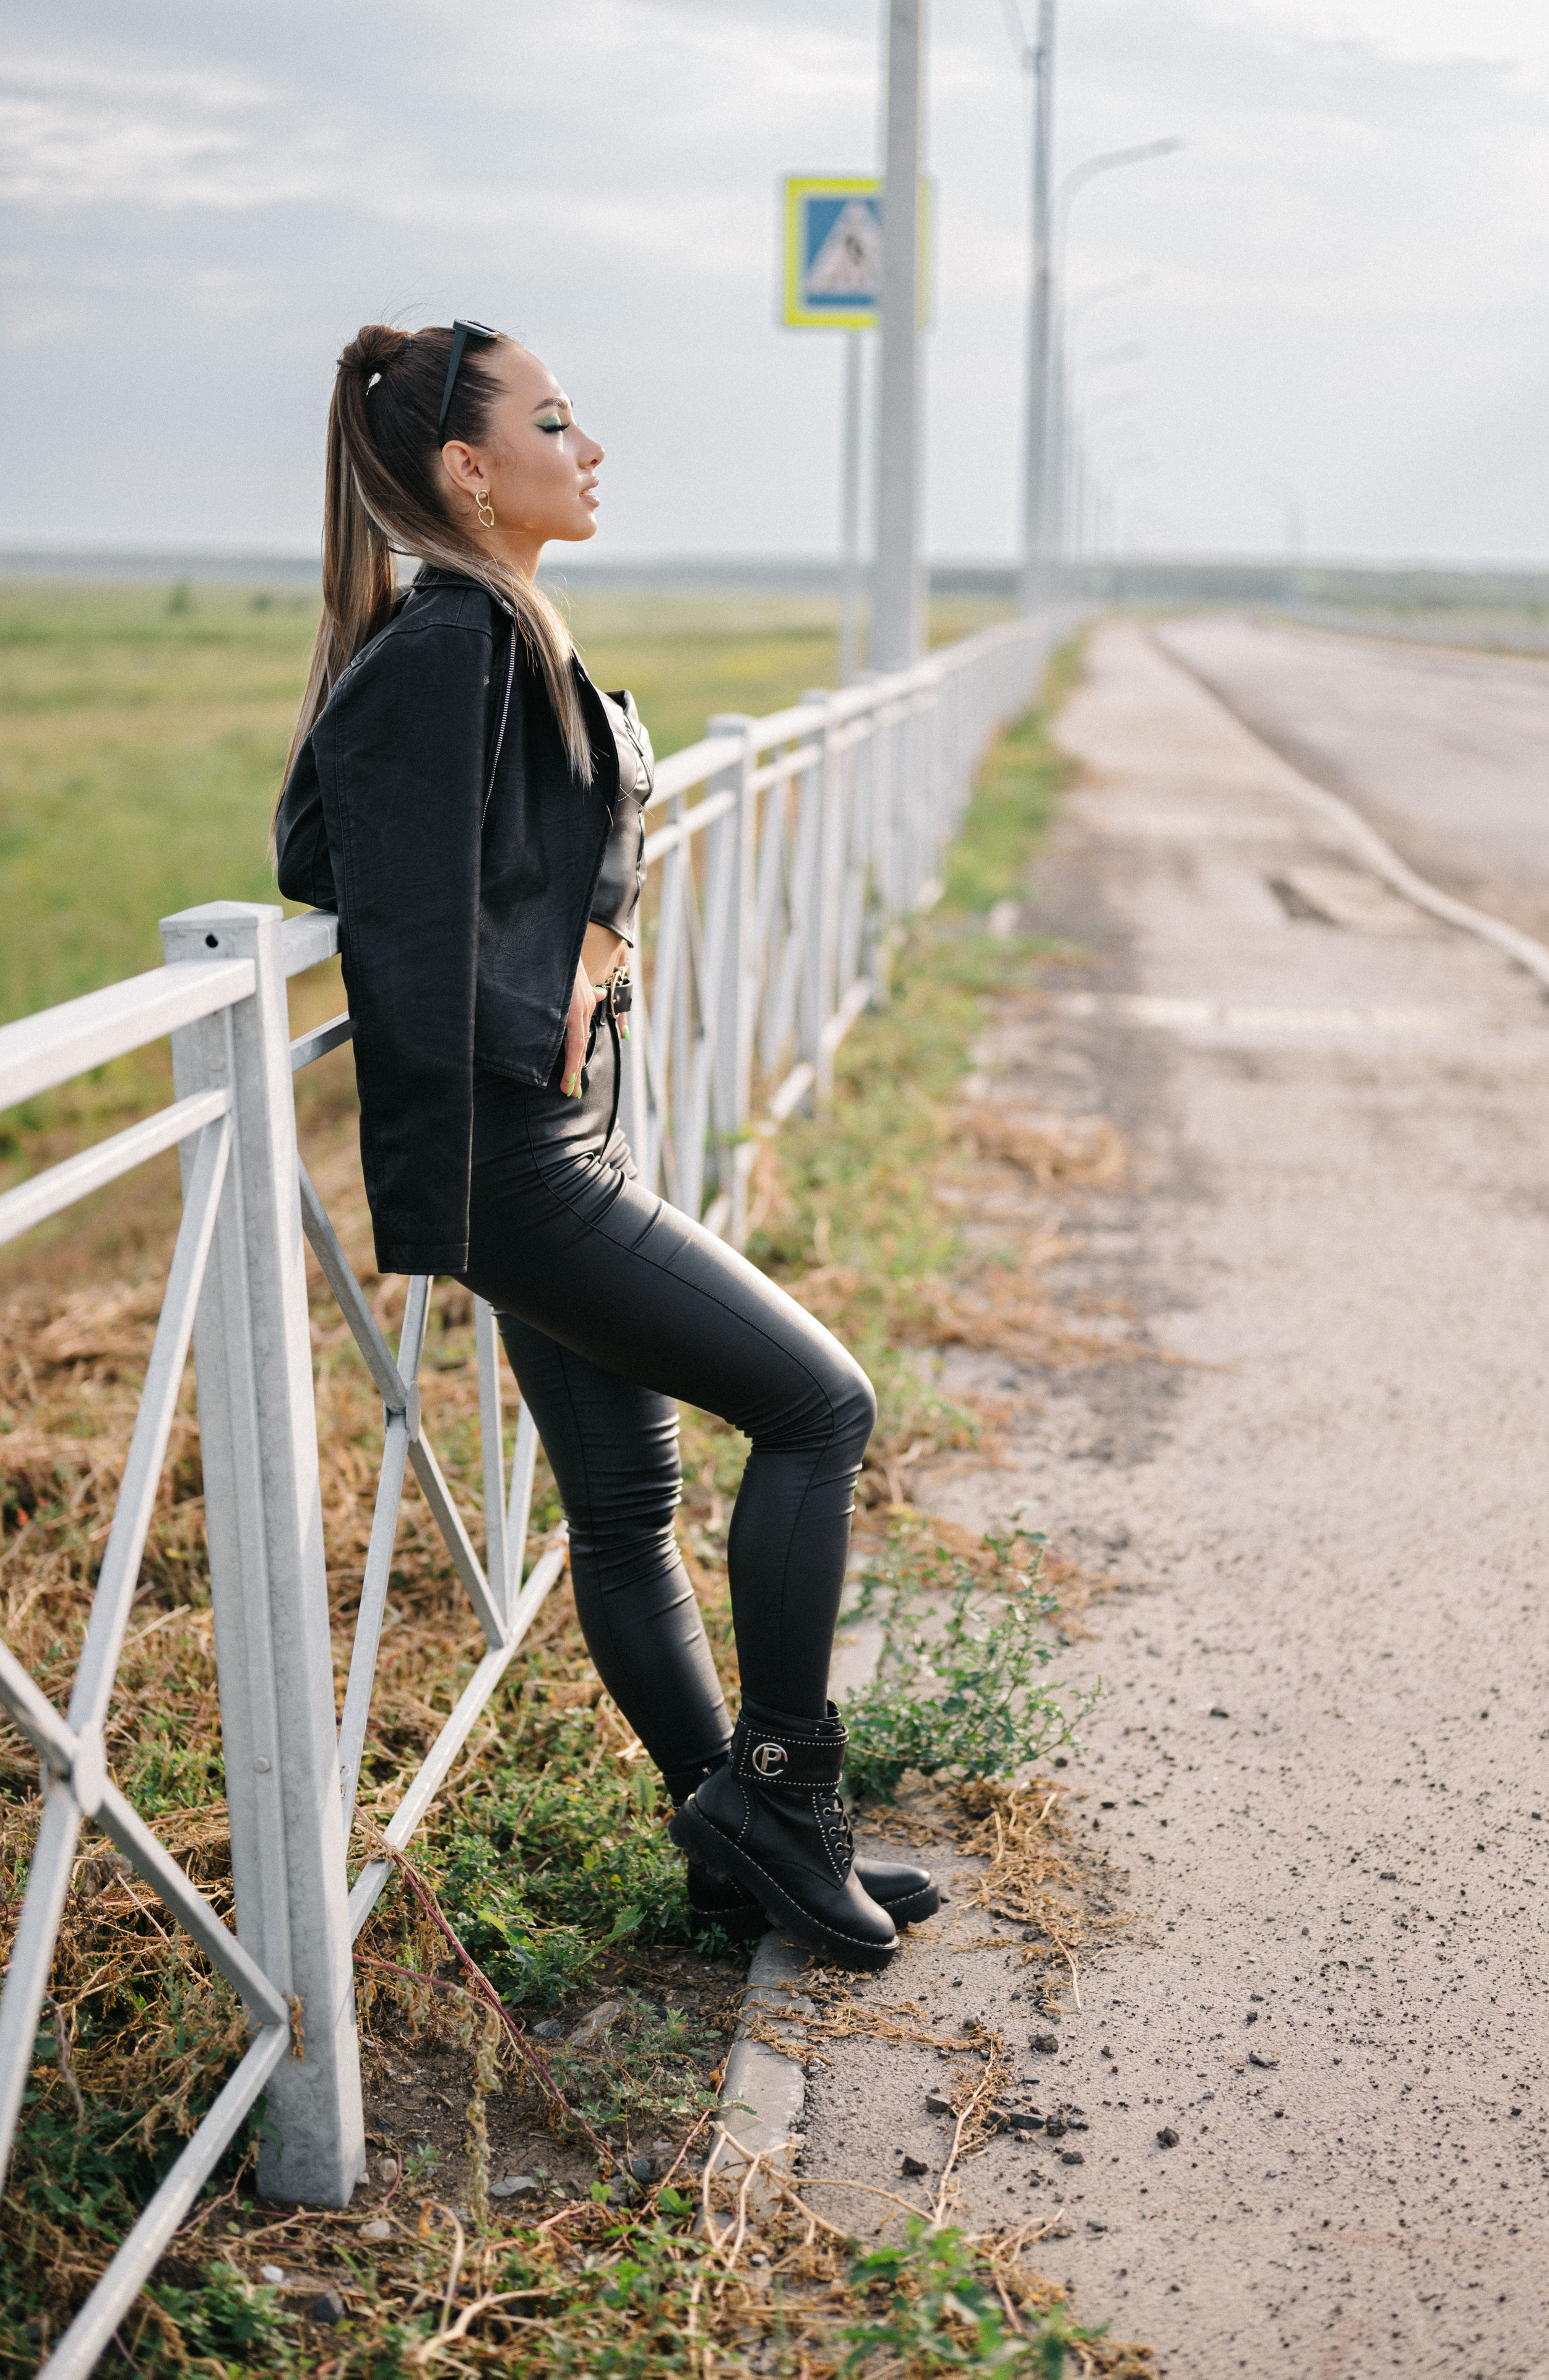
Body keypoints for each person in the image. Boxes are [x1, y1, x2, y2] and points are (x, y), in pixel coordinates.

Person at [272, 320, 938, 1970]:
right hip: (523, 1161)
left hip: (551, 1141)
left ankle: (741, 1854)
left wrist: (593, 940)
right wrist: (517, 1014)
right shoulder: (450, 646)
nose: (590, 446)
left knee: (628, 1506)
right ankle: (784, 1799)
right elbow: (331, 850)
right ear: (467, 473)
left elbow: (538, 818)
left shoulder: (498, 628)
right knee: (817, 1404)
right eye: (556, 421)